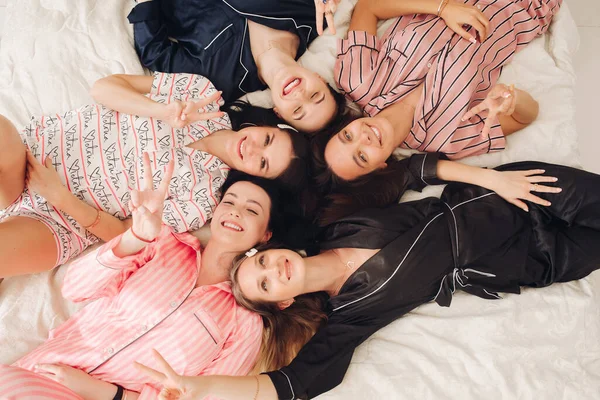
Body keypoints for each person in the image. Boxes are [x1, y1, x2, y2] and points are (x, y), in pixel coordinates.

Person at [135, 161, 600, 399]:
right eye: (264, 285)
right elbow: (289, 386)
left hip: (506, 196)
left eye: (263, 262)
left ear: (279, 249)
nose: (272, 271)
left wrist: (491, 178)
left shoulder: (339, 220)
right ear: (280, 303)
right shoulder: (349, 316)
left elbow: (412, 170)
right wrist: (202, 388)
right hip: (526, 260)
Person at [0, 169, 322, 400]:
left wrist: (107, 394)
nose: (235, 212)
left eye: (251, 210)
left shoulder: (245, 324)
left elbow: (194, 397)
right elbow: (74, 288)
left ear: (265, 235)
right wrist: (133, 238)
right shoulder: (163, 245)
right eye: (230, 201)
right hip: (45, 373)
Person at [0, 72, 309, 276]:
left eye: (263, 163)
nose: (253, 150)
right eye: (267, 140)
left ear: (258, 177)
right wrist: (161, 111)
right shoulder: (200, 92)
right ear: (267, 126)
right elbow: (103, 89)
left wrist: (59, 197)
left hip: (61, 221)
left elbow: (125, 232)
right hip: (35, 154)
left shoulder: (205, 201)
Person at [323, 0, 560, 181]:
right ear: (380, 168)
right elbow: (525, 117)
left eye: (347, 136)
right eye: (362, 157)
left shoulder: (358, 79)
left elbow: (368, 7)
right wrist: (511, 98)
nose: (362, 137)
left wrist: (442, 7)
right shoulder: (448, 139)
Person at [128, 0, 345, 133]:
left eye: (297, 111)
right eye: (315, 96)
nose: (300, 96)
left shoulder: (220, 81)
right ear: (320, 78)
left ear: (278, 113)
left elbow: (155, 53)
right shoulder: (314, 16)